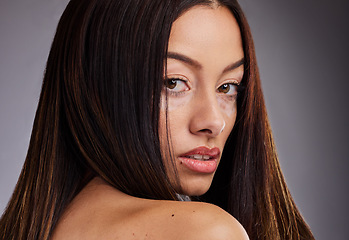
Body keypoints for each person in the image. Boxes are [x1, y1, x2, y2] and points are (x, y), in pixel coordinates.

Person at [0, 0, 314, 239]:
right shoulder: (205, 231)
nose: (213, 121)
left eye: (227, 87)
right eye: (173, 82)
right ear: (97, 87)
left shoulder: (40, 225)